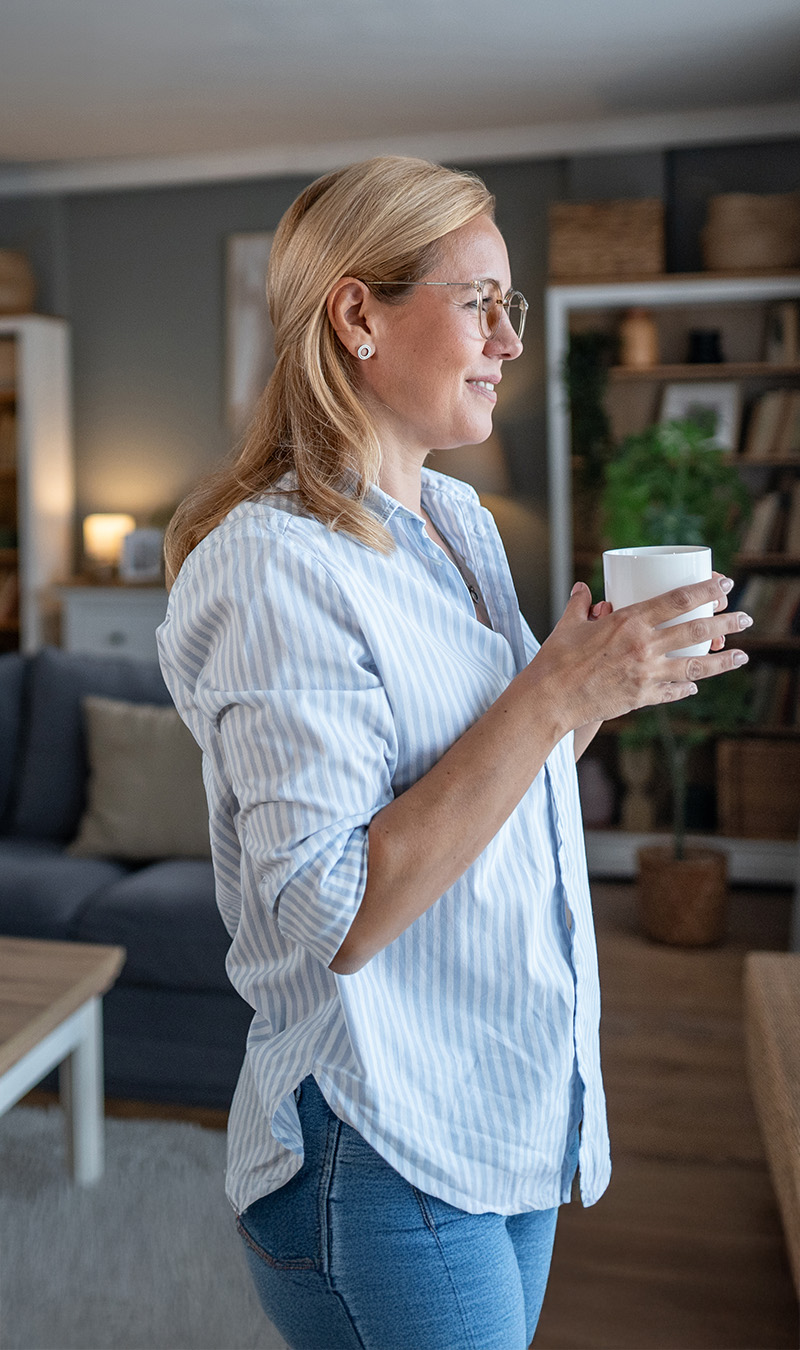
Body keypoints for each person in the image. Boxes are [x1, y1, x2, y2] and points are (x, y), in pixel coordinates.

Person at [157, 155, 749, 1350]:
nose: (508, 341)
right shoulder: (274, 563)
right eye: (480, 301)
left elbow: (497, 774)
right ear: (357, 315)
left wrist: (601, 688)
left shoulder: (457, 522)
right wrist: (546, 698)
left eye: (510, 306)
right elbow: (334, 914)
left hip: (499, 1100)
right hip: (381, 1139)